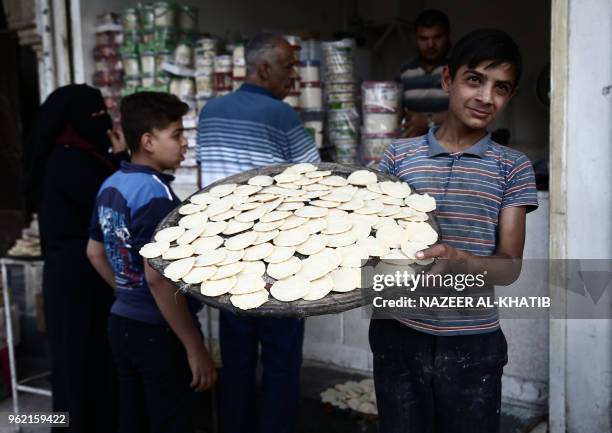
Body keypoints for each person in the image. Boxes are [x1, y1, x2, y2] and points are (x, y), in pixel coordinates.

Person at [371, 29, 539, 433]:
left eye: (501, 88)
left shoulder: (512, 167)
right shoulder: (398, 155)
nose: (486, 98)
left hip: (472, 340)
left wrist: (462, 262)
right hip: (397, 330)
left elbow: (509, 267)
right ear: (447, 79)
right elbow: (370, 241)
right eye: (475, 79)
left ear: (510, 97)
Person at [197, 33, 320, 433]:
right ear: (264, 69)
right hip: (278, 263)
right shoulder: (282, 115)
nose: (294, 76)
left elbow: (207, 184)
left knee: (236, 362)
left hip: (225, 261)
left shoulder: (210, 113)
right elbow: (315, 184)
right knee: (281, 364)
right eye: (288, 66)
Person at [86, 92, 216, 433]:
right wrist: (195, 347)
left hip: (121, 322)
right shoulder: (156, 195)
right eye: (176, 134)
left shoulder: (112, 183)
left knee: (133, 417)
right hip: (158, 334)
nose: (185, 142)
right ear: (148, 141)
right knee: (170, 420)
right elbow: (158, 279)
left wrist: (129, 292)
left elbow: (94, 253)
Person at [25, 84, 128, 433]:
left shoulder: (81, 154)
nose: (102, 121)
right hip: (76, 279)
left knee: (90, 362)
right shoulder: (70, 160)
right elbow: (112, 201)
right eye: (94, 115)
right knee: (78, 366)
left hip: (83, 277)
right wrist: (121, 158)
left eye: (104, 113)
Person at [398, 9, 451, 137]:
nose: (430, 45)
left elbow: (467, 113)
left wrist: (427, 121)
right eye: (424, 38)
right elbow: (395, 111)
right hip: (413, 149)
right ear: (416, 39)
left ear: (447, 36)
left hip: (450, 149)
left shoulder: (458, 70)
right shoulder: (405, 72)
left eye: (437, 37)